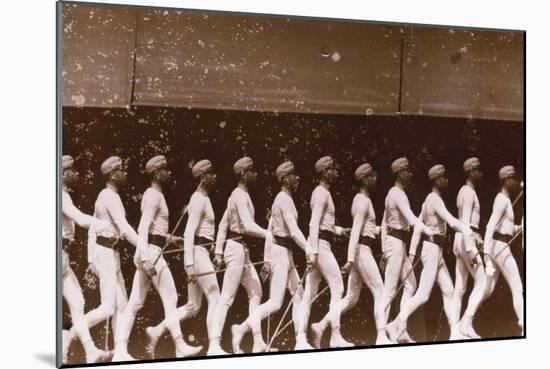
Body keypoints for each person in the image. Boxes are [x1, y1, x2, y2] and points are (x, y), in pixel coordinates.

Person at [112, 155, 201, 360]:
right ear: (156, 173)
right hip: (150, 253)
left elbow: (155, 232)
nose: (169, 173)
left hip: (150, 250)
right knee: (171, 297)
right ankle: (179, 346)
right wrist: (145, 258)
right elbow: (143, 229)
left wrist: (172, 239)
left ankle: (120, 351)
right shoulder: (153, 195)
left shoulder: (155, 195)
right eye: (165, 170)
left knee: (135, 303)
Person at [386, 164, 475, 342]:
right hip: (432, 250)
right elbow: (450, 221)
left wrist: (411, 254)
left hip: (437, 251)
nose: (446, 180)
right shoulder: (434, 200)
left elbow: (418, 226)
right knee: (423, 294)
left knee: (448, 290)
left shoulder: (428, 200)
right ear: (436, 180)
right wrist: (468, 231)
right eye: (443, 177)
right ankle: (397, 323)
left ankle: (454, 332)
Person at [231, 161, 308, 353]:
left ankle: (300, 340)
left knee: (299, 294)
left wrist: (266, 259)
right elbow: (292, 230)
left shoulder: (284, 200)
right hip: (280, 253)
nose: (297, 178)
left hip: (284, 253)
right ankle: (241, 329)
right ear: (284, 179)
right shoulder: (282, 199)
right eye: (293, 175)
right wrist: (309, 249)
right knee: (275, 302)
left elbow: (270, 229)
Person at [312, 163, 390, 345]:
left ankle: (321, 325)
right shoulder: (363, 201)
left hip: (360, 250)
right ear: (364, 179)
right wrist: (349, 260)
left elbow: (367, 229)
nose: (375, 179)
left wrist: (387, 229)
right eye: (372, 176)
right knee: (380, 290)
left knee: (351, 297)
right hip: (361, 251)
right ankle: (381, 336)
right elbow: (356, 232)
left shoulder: (361, 200)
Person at [81, 156, 141, 359]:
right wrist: (144, 247)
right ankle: (70, 333)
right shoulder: (108, 197)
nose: (125, 173)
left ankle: (121, 353)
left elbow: (92, 230)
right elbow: (123, 227)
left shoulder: (107, 196)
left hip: (109, 254)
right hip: (105, 254)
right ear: (112, 174)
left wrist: (90, 260)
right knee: (107, 308)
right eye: (121, 170)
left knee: (122, 306)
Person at [212, 157, 267, 353]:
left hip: (241, 250)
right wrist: (269, 234)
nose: (256, 174)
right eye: (252, 170)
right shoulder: (238, 195)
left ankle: (257, 341)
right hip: (235, 249)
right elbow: (247, 225)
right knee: (227, 297)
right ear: (244, 173)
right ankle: (214, 345)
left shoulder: (240, 195)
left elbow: (223, 225)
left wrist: (218, 252)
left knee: (256, 292)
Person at [296, 156, 352, 349]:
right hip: (320, 246)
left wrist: (339, 230)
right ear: (324, 171)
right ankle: (335, 336)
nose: (335, 173)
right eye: (332, 169)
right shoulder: (321, 193)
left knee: (309, 294)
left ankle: (301, 339)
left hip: (320, 244)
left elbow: (324, 225)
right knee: (338, 287)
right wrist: (313, 252)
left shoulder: (323, 193)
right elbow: (313, 224)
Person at [61, 155, 112, 364]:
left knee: (78, 301)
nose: (77, 173)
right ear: (62, 174)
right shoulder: (60, 195)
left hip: (62, 258)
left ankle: (89, 351)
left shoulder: (63, 195)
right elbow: (81, 219)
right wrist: (104, 225)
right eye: (72, 170)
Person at [380, 157, 433, 343]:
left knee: (411, 284)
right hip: (395, 244)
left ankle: (399, 328)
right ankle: (381, 335)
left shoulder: (392, 194)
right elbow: (411, 219)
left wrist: (382, 249)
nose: (409, 174)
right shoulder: (397, 194)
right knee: (389, 290)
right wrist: (428, 230)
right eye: (407, 171)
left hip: (397, 244)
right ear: (399, 173)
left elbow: (383, 223)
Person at [482, 165, 524, 334]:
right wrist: (486, 253)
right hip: (499, 248)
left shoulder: (505, 200)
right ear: (506, 181)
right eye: (512, 178)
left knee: (488, 288)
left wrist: (517, 228)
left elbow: (504, 227)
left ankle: (465, 319)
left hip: (498, 245)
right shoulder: (501, 200)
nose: (514, 181)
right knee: (517, 285)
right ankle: (524, 322)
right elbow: (490, 225)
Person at [450, 157, 486, 339]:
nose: (480, 173)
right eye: (478, 170)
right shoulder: (469, 193)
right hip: (466, 240)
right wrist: (471, 248)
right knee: (483, 281)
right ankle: (467, 322)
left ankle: (455, 332)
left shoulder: (462, 191)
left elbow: (467, 224)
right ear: (471, 172)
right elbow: (465, 222)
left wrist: (475, 236)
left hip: (461, 239)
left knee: (460, 288)